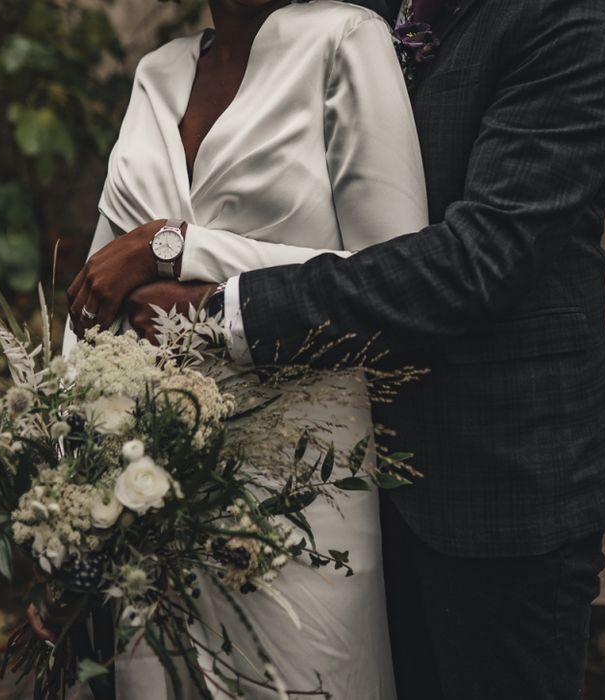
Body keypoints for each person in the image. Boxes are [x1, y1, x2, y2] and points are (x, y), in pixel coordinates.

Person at [103, 0, 605, 697]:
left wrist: (218, 307)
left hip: (498, 485)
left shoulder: (582, 18)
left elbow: (479, 261)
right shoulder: (361, 14)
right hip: (339, 480)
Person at [60, 0, 428, 697]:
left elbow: (393, 275)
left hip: (297, 484)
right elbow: (95, 290)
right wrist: (65, 477)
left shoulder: (345, 40)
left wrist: (172, 248)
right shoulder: (158, 71)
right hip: (147, 489)